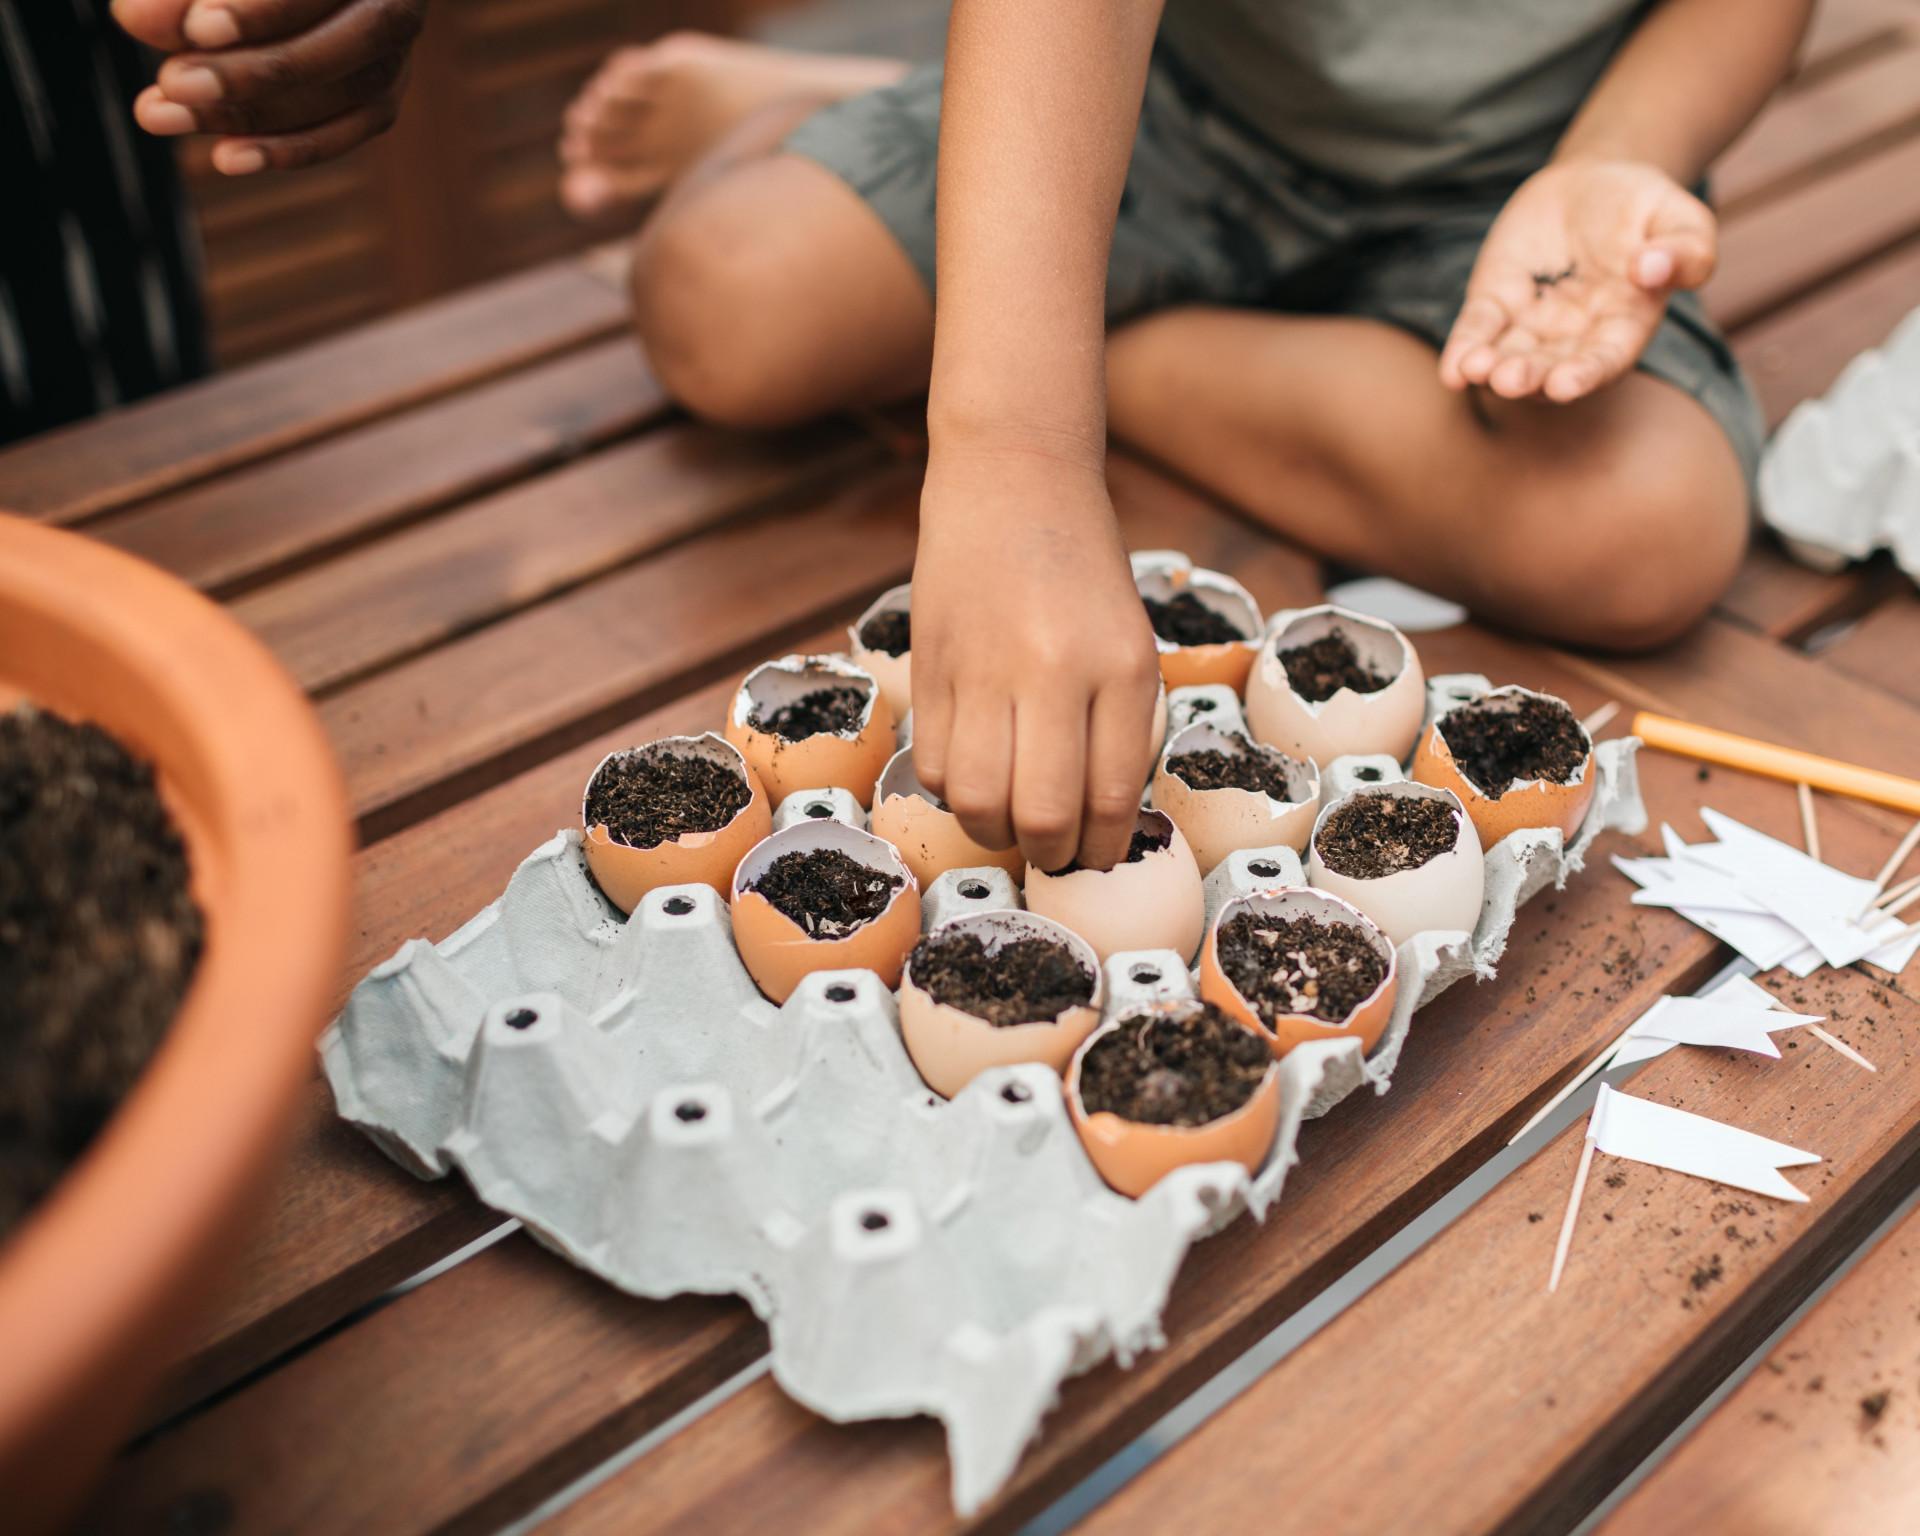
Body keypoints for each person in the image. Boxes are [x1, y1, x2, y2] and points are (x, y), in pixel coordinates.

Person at [121, 0, 1803, 881]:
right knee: (724, 305)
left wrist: (1616, 162)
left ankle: (951, 177)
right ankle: (886, 139)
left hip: (1510, 179)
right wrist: (1004, 444)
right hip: (1168, 97)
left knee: (1641, 530)